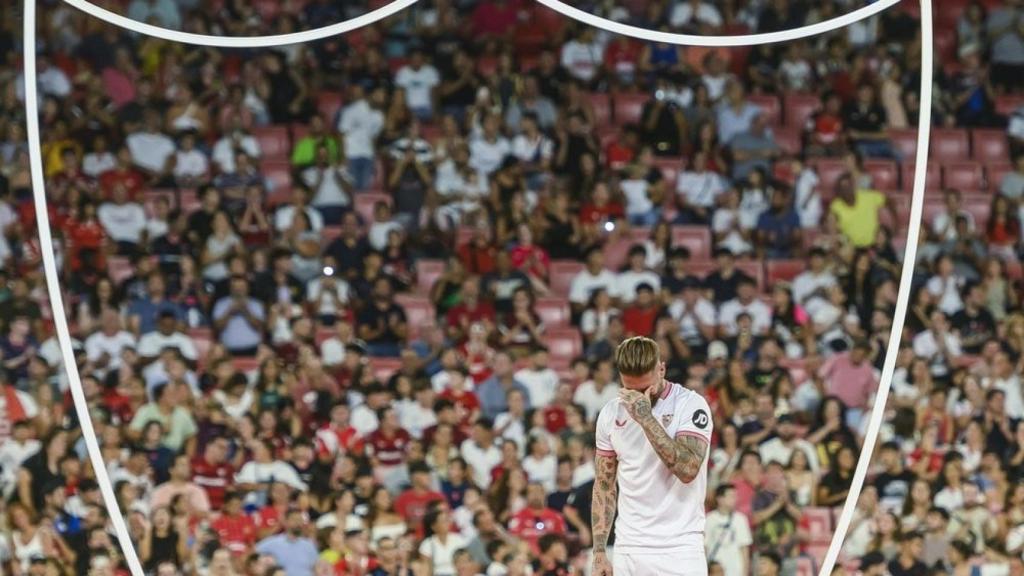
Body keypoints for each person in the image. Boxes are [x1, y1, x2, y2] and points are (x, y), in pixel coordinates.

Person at [592, 336, 713, 576]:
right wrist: (599, 552)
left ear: (661, 369)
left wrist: (646, 418)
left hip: (680, 549)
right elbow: (604, 485)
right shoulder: (610, 413)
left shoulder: (690, 405)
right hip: (629, 547)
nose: (639, 396)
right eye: (631, 389)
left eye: (645, 388)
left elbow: (688, 470)